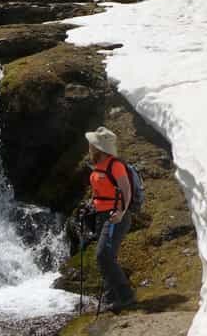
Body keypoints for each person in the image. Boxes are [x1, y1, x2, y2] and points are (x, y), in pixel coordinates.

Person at [84, 126, 136, 311]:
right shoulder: (98, 166)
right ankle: (110, 297)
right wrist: (92, 203)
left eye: (92, 144)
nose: (89, 146)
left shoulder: (116, 165)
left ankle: (126, 296)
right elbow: (101, 189)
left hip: (115, 217)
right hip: (101, 215)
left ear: (99, 147)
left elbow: (126, 189)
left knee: (103, 255)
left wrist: (121, 212)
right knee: (106, 257)